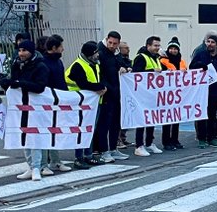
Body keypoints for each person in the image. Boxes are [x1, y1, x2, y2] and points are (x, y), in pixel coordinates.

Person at [2, 39, 50, 181]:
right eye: (20, 50)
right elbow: (14, 82)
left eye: (24, 50)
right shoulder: (17, 64)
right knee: (24, 136)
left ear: (31, 51)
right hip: (21, 106)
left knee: (34, 137)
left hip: (36, 107)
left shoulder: (40, 66)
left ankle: (37, 167)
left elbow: (40, 87)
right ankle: (30, 166)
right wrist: (8, 83)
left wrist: (20, 83)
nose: (21, 53)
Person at [65, 41, 107, 169]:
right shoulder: (78, 66)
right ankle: (79, 158)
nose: (98, 55)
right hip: (80, 103)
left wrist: (101, 87)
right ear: (89, 54)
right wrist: (100, 87)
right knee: (81, 131)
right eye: (95, 52)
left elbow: (97, 79)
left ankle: (88, 155)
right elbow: (84, 84)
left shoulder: (94, 64)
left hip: (93, 103)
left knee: (90, 130)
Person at [189, 34, 217, 148]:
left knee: (212, 115)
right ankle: (201, 138)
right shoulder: (201, 55)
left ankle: (211, 137)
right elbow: (191, 67)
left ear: (216, 44)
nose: (210, 44)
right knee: (202, 115)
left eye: (212, 42)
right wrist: (200, 65)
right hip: (202, 90)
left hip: (216, 91)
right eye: (208, 42)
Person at [95, 31, 129, 162]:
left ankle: (113, 148)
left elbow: (122, 63)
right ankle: (104, 151)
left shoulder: (115, 54)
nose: (112, 45)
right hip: (106, 94)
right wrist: (105, 87)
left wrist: (125, 68)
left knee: (115, 123)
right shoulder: (101, 53)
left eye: (115, 44)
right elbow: (100, 73)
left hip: (117, 93)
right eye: (110, 42)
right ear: (106, 40)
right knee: (104, 124)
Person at [40, 34, 71, 173]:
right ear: (54, 48)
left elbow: (61, 81)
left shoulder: (58, 62)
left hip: (58, 101)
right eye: (61, 47)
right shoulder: (43, 63)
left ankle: (55, 161)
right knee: (45, 132)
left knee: (55, 131)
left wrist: (67, 96)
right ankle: (42, 163)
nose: (63, 49)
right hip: (46, 102)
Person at [130, 36, 164, 156]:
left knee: (151, 119)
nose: (157, 48)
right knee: (142, 120)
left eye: (158, 45)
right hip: (142, 95)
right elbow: (135, 74)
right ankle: (139, 145)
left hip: (152, 94)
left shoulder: (155, 58)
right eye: (155, 45)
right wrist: (151, 71)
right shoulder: (141, 58)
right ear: (148, 46)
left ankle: (149, 143)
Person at [158, 38, 187, 150]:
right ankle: (166, 141)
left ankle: (175, 139)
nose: (173, 51)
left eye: (175, 49)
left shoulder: (182, 61)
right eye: (171, 48)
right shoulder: (163, 61)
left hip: (178, 93)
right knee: (167, 118)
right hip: (166, 93)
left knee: (176, 118)